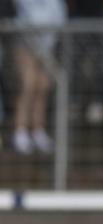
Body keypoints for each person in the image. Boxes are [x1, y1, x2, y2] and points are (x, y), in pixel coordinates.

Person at [12, 0, 66, 155]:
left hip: (46, 47)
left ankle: (38, 130)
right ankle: (20, 130)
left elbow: (60, 20)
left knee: (43, 86)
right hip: (25, 43)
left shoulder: (55, 3)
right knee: (28, 84)